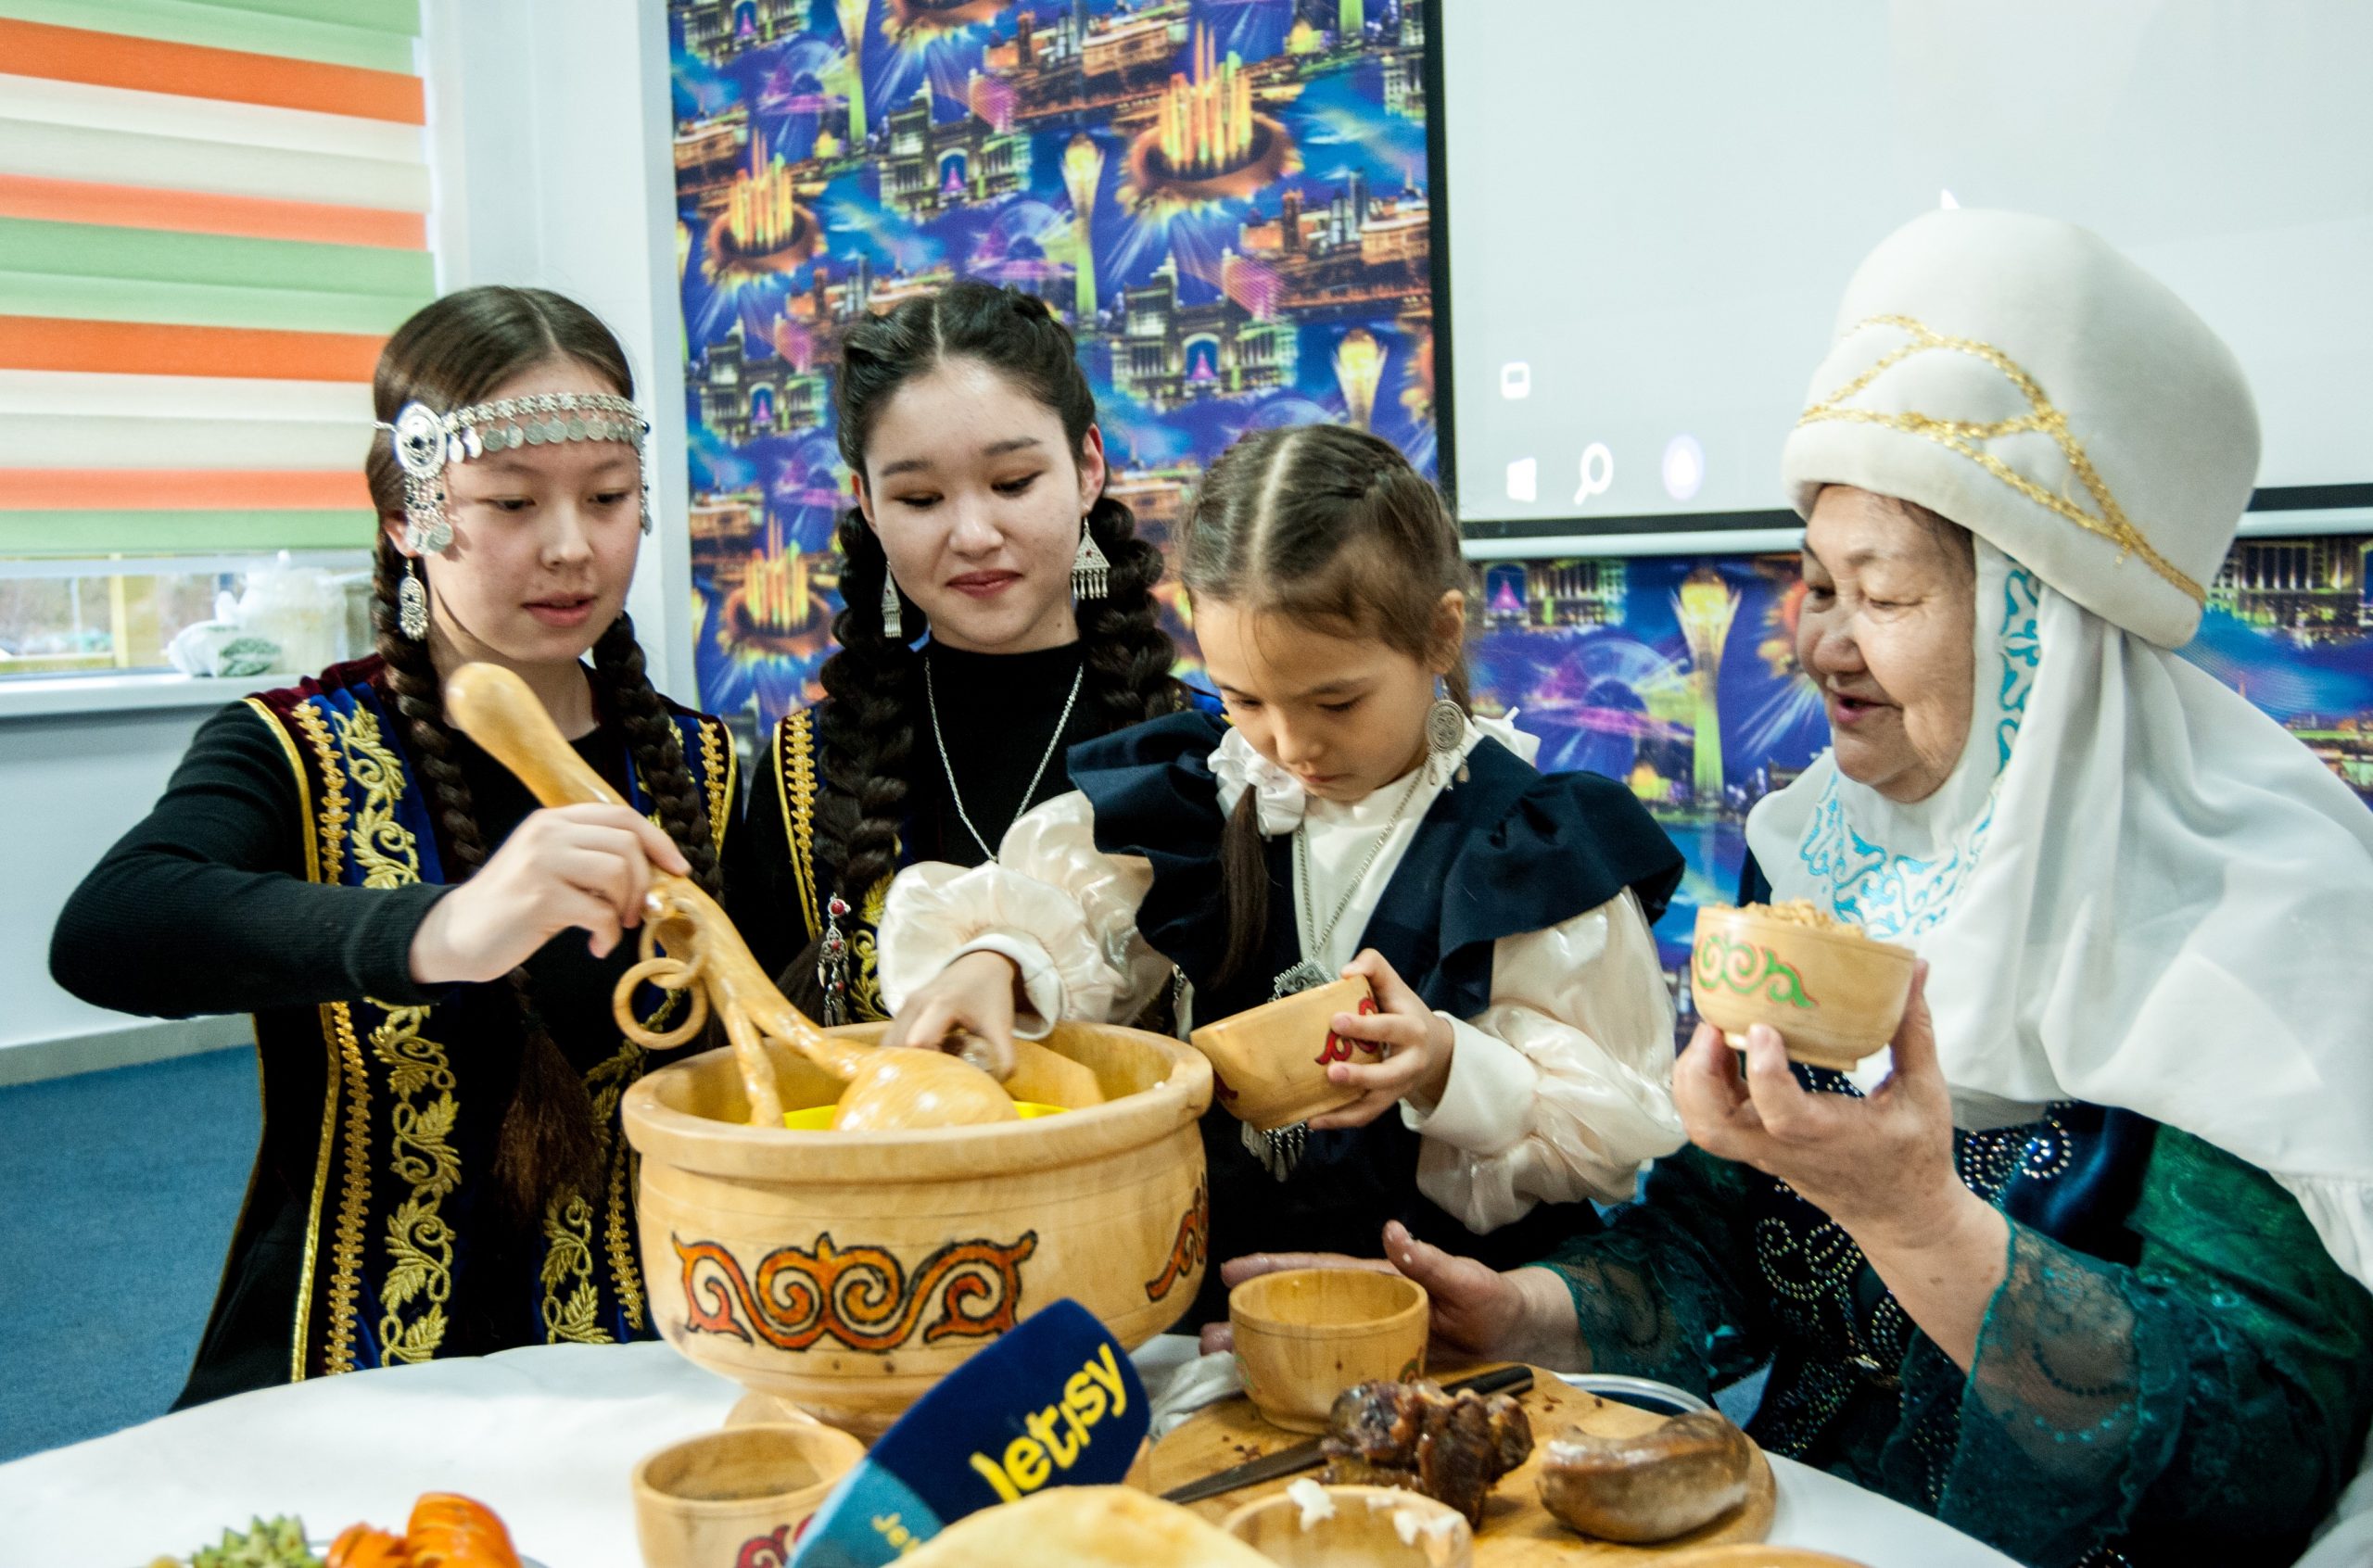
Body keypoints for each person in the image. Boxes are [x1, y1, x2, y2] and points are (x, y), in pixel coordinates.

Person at [1210, 211, 2373, 1567]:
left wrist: (1917, 1218)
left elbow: (2259, 1460)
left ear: (2037, 626)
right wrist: (1517, 1314)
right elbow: (1724, 1245)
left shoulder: (2253, 924)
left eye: (1879, 593)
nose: (1818, 643)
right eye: (1815, 584)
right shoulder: (1823, 857)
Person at [50, 286, 740, 1402]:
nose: (572, 548)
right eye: (512, 504)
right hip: (341, 1364)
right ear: (406, 517)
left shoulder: (704, 771)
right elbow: (111, 930)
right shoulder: (296, 750)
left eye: (608, 498)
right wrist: (442, 927)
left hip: (642, 1364)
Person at [875, 423, 1689, 1322]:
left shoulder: (1528, 844)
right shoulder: (1198, 797)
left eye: (1335, 700)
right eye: (1244, 699)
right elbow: (1061, 917)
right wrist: (994, 956)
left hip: (1445, 1333)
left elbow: (1603, 1136)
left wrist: (1447, 1067)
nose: (1292, 744)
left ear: (1438, 634)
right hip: (1217, 1323)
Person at [736, 282, 1195, 1025]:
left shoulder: (1196, 750)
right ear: (869, 504)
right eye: (921, 499)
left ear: (1087, 468)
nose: (973, 534)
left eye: (1012, 483)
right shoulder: (803, 773)